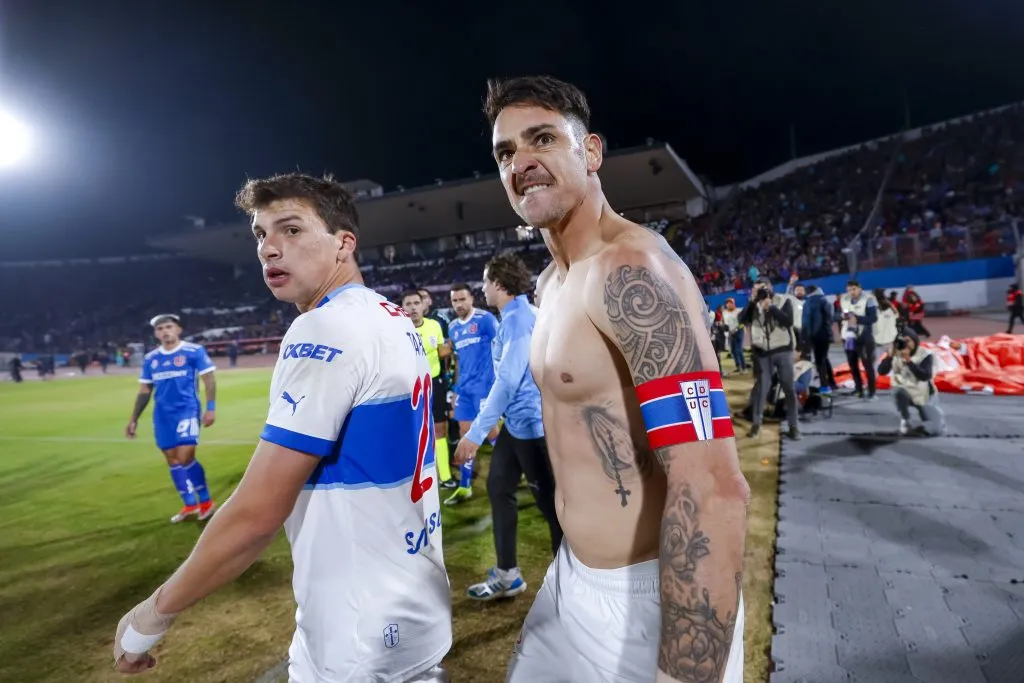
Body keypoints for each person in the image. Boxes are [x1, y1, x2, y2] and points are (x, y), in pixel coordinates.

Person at [112, 173, 452, 682]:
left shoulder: (324, 328)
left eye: (290, 230)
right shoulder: (392, 316)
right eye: (260, 235)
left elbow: (257, 514)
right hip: (414, 604)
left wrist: (151, 615)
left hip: (357, 629)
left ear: (343, 243)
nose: (269, 248)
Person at [482, 75, 746, 683]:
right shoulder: (549, 285)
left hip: (649, 596)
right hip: (570, 578)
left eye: (541, 139)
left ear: (591, 152)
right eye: (505, 152)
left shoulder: (631, 274)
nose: (521, 162)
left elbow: (712, 485)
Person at [453, 252, 563, 600]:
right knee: (500, 489)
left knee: (552, 506)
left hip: (532, 429)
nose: (482, 288)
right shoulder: (516, 316)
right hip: (518, 426)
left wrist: (474, 432)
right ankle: (508, 575)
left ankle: (574, 583)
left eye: (486, 281)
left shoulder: (517, 321)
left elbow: (508, 382)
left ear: (499, 284)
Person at [125, 314, 218, 523]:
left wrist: (210, 408)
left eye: (169, 327)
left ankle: (206, 502)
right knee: (172, 458)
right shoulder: (151, 359)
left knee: (185, 456)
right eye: (160, 329)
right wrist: (134, 418)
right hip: (162, 415)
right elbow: (144, 390)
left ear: (178, 329)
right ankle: (189, 505)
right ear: (156, 334)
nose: (165, 331)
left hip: (187, 410)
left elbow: (209, 380)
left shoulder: (193, 351)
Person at [445, 282, 499, 505]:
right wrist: (456, 390)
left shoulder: (485, 320)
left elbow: (500, 347)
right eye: (455, 301)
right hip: (465, 390)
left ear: (471, 299)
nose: (458, 304)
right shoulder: (453, 328)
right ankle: (465, 486)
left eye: (462, 299)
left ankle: (521, 466)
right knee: (465, 433)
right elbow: (458, 361)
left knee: (490, 432)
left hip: (485, 387)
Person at [402, 290, 457, 490]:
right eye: (408, 303)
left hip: (435, 383)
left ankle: (445, 475)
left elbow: (443, 351)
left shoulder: (434, 326)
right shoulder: (398, 330)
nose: (413, 307)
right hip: (411, 387)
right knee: (415, 432)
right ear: (403, 308)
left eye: (416, 302)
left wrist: (449, 349)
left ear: (423, 305)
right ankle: (417, 477)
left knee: (440, 429)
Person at [739, 278, 801, 440]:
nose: (761, 292)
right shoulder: (754, 305)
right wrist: (753, 302)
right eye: (757, 290)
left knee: (788, 388)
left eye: (763, 289)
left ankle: (793, 426)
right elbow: (742, 320)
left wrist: (771, 308)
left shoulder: (783, 300)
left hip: (783, 351)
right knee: (761, 390)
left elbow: (788, 321)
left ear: (771, 287)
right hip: (762, 353)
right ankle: (756, 424)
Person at [878, 328, 945, 436]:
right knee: (898, 391)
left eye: (908, 341)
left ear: (915, 341)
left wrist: (909, 361)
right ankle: (905, 419)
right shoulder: (896, 354)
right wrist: (889, 357)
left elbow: (925, 376)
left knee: (935, 430)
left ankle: (932, 418)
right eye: (902, 341)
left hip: (924, 395)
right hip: (905, 392)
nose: (905, 344)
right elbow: (881, 371)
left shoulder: (925, 354)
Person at [836, 280, 878, 399]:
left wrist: (857, 318)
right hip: (848, 337)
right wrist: (842, 316)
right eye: (849, 290)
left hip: (864, 338)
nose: (851, 292)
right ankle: (858, 389)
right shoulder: (843, 299)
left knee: (867, 365)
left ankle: (872, 391)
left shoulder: (869, 299)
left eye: (854, 289)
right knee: (852, 364)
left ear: (859, 288)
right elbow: (836, 315)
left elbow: (873, 318)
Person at [801, 285, 835, 392]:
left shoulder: (808, 302)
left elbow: (806, 322)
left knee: (819, 361)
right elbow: (830, 318)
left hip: (815, 336)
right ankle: (832, 382)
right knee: (824, 358)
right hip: (825, 335)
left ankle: (824, 386)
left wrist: (804, 337)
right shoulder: (825, 300)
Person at [721, 297, 747, 373]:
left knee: (738, 350)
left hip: (739, 331)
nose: (729, 304)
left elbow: (743, 322)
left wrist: (737, 329)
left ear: (733, 303)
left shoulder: (739, 311)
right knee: (733, 350)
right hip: (730, 333)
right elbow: (723, 322)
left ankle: (744, 367)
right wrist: (723, 325)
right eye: (727, 303)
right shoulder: (724, 312)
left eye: (730, 303)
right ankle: (738, 366)